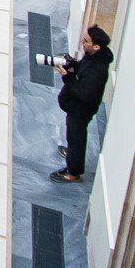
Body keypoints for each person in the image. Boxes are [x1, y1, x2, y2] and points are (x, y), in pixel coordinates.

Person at [52, 25, 115, 183]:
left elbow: (85, 94)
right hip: (77, 107)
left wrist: (68, 77)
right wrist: (73, 66)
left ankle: (73, 171)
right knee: (73, 134)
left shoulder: (98, 70)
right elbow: (82, 70)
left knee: (76, 137)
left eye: (86, 40)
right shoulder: (93, 56)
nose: (82, 41)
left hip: (81, 110)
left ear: (96, 46)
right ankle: (72, 154)